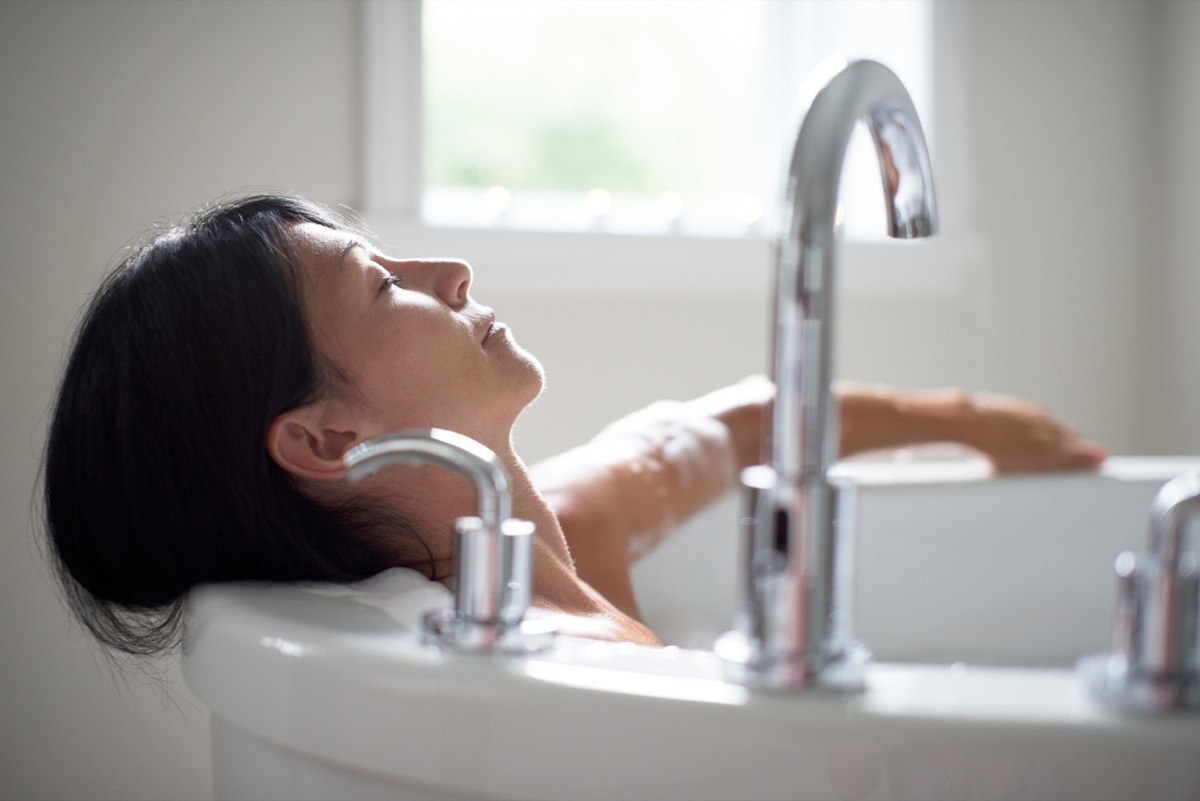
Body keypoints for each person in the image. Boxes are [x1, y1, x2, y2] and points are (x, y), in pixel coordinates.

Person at [40, 194, 1106, 657]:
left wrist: (974, 426)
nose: (448, 272)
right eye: (381, 284)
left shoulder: (554, 551)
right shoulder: (547, 658)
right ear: (324, 440)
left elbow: (726, 430)